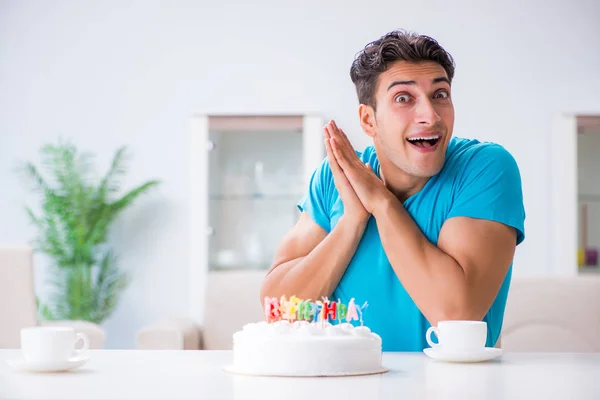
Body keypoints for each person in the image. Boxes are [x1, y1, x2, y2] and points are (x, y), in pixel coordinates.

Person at [260, 29, 526, 351]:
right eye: (404, 98)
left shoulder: (484, 169)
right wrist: (349, 224)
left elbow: (456, 315)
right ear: (368, 120)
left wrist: (381, 203)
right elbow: (278, 309)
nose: (430, 115)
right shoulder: (336, 179)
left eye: (440, 94)